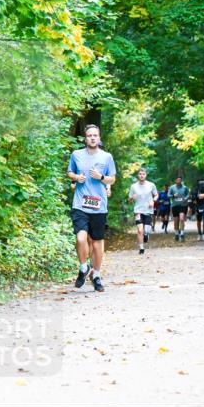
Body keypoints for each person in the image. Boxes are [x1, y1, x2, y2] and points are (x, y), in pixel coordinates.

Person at [67, 124, 116, 292]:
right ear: (85, 138)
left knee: (96, 244)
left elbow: (112, 180)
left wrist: (101, 177)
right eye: (89, 135)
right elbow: (69, 173)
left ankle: (96, 275)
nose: (93, 138)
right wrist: (77, 177)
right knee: (81, 239)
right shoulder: (76, 155)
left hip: (99, 206)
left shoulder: (107, 157)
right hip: (80, 204)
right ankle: (83, 267)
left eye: (95, 135)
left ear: (99, 138)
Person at [127, 167, 157, 255]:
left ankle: (146, 235)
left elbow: (156, 195)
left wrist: (153, 201)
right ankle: (141, 248)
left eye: (143, 174)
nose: (141, 175)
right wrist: (132, 198)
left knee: (146, 230)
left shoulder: (151, 185)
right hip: (138, 210)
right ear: (138, 175)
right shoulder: (133, 186)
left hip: (148, 210)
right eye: (140, 174)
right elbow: (129, 200)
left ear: (146, 175)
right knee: (140, 230)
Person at [168, 176, 190, 242]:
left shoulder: (185, 187)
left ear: (181, 181)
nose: (178, 181)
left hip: (183, 205)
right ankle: (176, 234)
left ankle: (182, 234)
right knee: (176, 221)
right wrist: (173, 196)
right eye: (177, 180)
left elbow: (188, 194)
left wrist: (186, 198)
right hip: (175, 205)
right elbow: (168, 195)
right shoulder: (172, 187)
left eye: (180, 180)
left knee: (182, 219)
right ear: (175, 180)